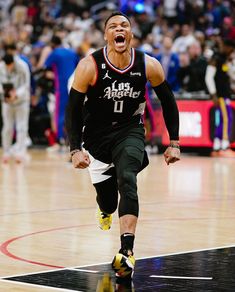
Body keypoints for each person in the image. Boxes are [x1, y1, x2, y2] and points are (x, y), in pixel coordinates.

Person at [65, 11, 180, 280]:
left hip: (129, 130)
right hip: (96, 137)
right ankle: (104, 209)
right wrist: (74, 148)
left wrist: (174, 141)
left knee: (127, 178)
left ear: (130, 34)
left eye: (125, 26)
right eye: (113, 26)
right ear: (106, 35)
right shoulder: (89, 66)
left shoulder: (148, 64)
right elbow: (72, 110)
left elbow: (168, 101)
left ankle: (126, 251)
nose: (120, 29)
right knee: (108, 201)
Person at [44, 35, 79, 150]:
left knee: (59, 114)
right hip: (75, 85)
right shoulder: (72, 52)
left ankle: (60, 140)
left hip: (62, 87)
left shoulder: (55, 53)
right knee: (73, 113)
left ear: (53, 44)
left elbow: (45, 67)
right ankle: (72, 141)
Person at [205, 38, 235, 157]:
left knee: (221, 120)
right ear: (225, 47)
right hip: (220, 96)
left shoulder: (226, 60)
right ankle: (224, 146)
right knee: (227, 119)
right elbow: (208, 77)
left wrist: (231, 64)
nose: (232, 51)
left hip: (225, 94)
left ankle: (217, 146)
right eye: (231, 49)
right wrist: (213, 94)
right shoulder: (215, 59)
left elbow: (231, 77)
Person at [0, 53, 31, 163]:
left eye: (10, 65)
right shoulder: (1, 67)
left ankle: (20, 153)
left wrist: (16, 94)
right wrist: (4, 93)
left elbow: (26, 85)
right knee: (7, 127)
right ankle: (6, 152)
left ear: (13, 62)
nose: (8, 67)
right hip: (7, 102)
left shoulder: (23, 66)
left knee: (21, 127)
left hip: (21, 101)